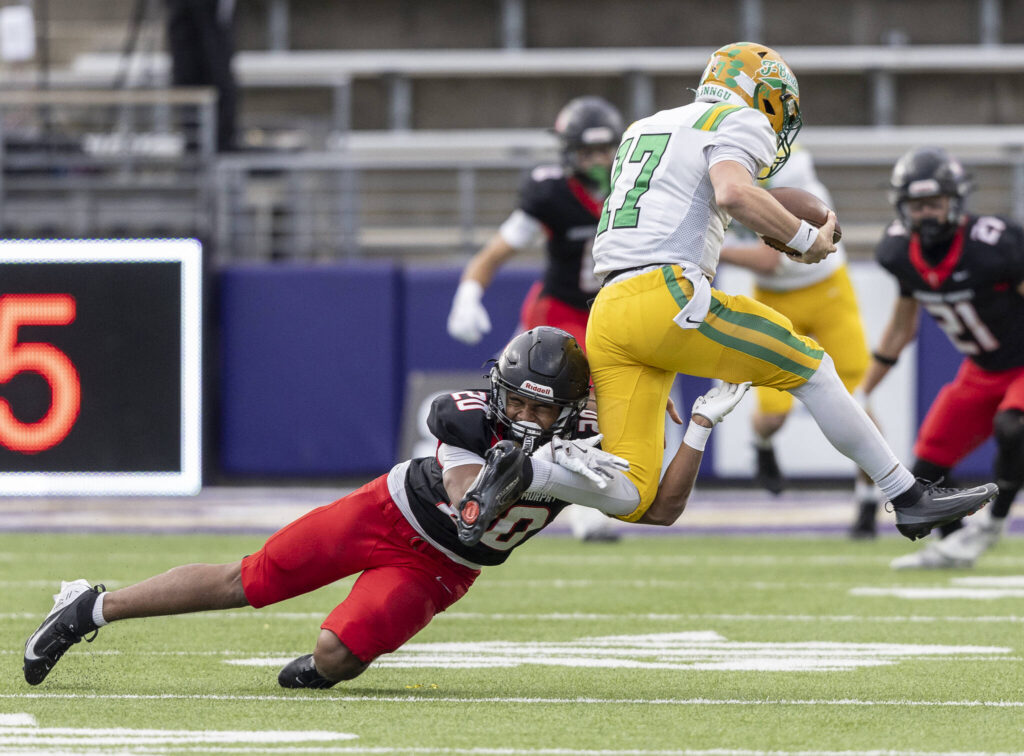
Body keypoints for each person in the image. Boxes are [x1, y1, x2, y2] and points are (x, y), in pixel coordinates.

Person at [23, 327, 749, 689]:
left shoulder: (586, 445)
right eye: (516, 398)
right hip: (389, 511)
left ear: (567, 410)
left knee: (335, 660)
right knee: (246, 581)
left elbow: (661, 510)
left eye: (539, 405)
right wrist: (537, 469)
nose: (523, 413)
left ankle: (325, 661)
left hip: (445, 571)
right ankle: (89, 607)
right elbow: (470, 504)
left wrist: (700, 429)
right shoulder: (469, 419)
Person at [582, 41, 997, 536]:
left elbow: (700, 203)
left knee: (628, 494)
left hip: (609, 307)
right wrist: (805, 239)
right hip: (666, 294)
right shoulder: (739, 119)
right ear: (763, 91)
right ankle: (906, 495)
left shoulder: (643, 127)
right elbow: (734, 192)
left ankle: (530, 473)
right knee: (812, 366)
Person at [447, 95, 625, 542]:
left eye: (605, 150)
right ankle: (478, 485)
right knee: (529, 406)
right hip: (559, 313)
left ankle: (587, 503)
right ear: (569, 152)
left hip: (611, 313)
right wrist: (468, 294)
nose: (599, 161)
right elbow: (496, 251)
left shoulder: (637, 188)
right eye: (588, 152)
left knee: (607, 409)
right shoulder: (551, 194)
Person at [858, 147, 1024, 569]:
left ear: (956, 202)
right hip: (981, 371)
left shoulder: (993, 244)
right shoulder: (899, 254)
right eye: (917, 205)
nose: (927, 214)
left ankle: (993, 525)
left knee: (1013, 426)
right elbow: (901, 327)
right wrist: (863, 390)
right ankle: (956, 546)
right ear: (902, 207)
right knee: (926, 470)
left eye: (935, 204)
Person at [718, 144, 881, 537]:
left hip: (827, 290)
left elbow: (771, 258)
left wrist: (712, 248)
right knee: (773, 416)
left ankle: (868, 501)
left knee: (858, 399)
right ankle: (761, 445)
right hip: (775, 297)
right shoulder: (721, 162)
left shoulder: (792, 176)